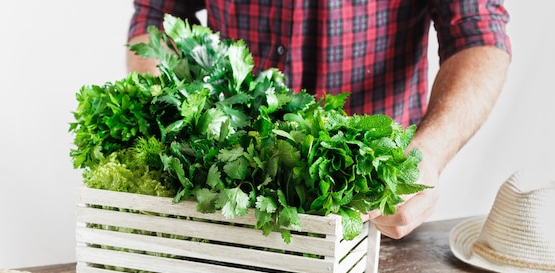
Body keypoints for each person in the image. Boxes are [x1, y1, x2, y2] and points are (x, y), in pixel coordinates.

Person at [126, 1, 511, 239]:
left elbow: (477, 32)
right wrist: (179, 117)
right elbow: (156, 14)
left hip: (372, 207)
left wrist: (428, 153)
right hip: (234, 195)